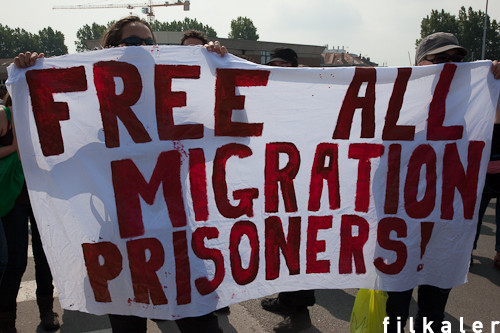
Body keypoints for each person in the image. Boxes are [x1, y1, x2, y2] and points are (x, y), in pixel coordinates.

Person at [14, 15, 227, 333]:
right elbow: (44, 156)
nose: (141, 48)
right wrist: (32, 82)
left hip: (176, 237)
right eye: (132, 42)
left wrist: (220, 70)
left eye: (148, 42)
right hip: (120, 241)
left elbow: (229, 129)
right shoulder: (88, 110)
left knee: (201, 324)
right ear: (112, 48)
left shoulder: (175, 103)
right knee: (128, 328)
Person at [384, 32, 500, 333]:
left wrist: (497, 82)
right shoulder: (393, 100)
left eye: (457, 60)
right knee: (395, 308)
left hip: (445, 225)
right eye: (440, 59)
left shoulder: (473, 100)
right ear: (420, 63)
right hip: (399, 225)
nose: (451, 66)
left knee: (432, 313)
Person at [259, 47, 315, 333]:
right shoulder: (265, 93)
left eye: (284, 65)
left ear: (296, 66)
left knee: (297, 246)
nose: (278, 69)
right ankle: (287, 300)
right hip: (273, 181)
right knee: (279, 244)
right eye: (274, 64)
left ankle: (299, 311)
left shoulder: (308, 92)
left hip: (301, 183)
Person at [0, 92, 60, 332]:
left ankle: (46, 310)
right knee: (15, 261)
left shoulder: (47, 119)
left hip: (43, 196)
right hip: (13, 199)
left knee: (45, 257)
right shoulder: (4, 115)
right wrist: (16, 145)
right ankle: (6, 320)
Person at [472, 117, 500, 269]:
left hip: (483, 173)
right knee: (474, 216)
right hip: (484, 173)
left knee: (474, 216)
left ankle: (467, 252)